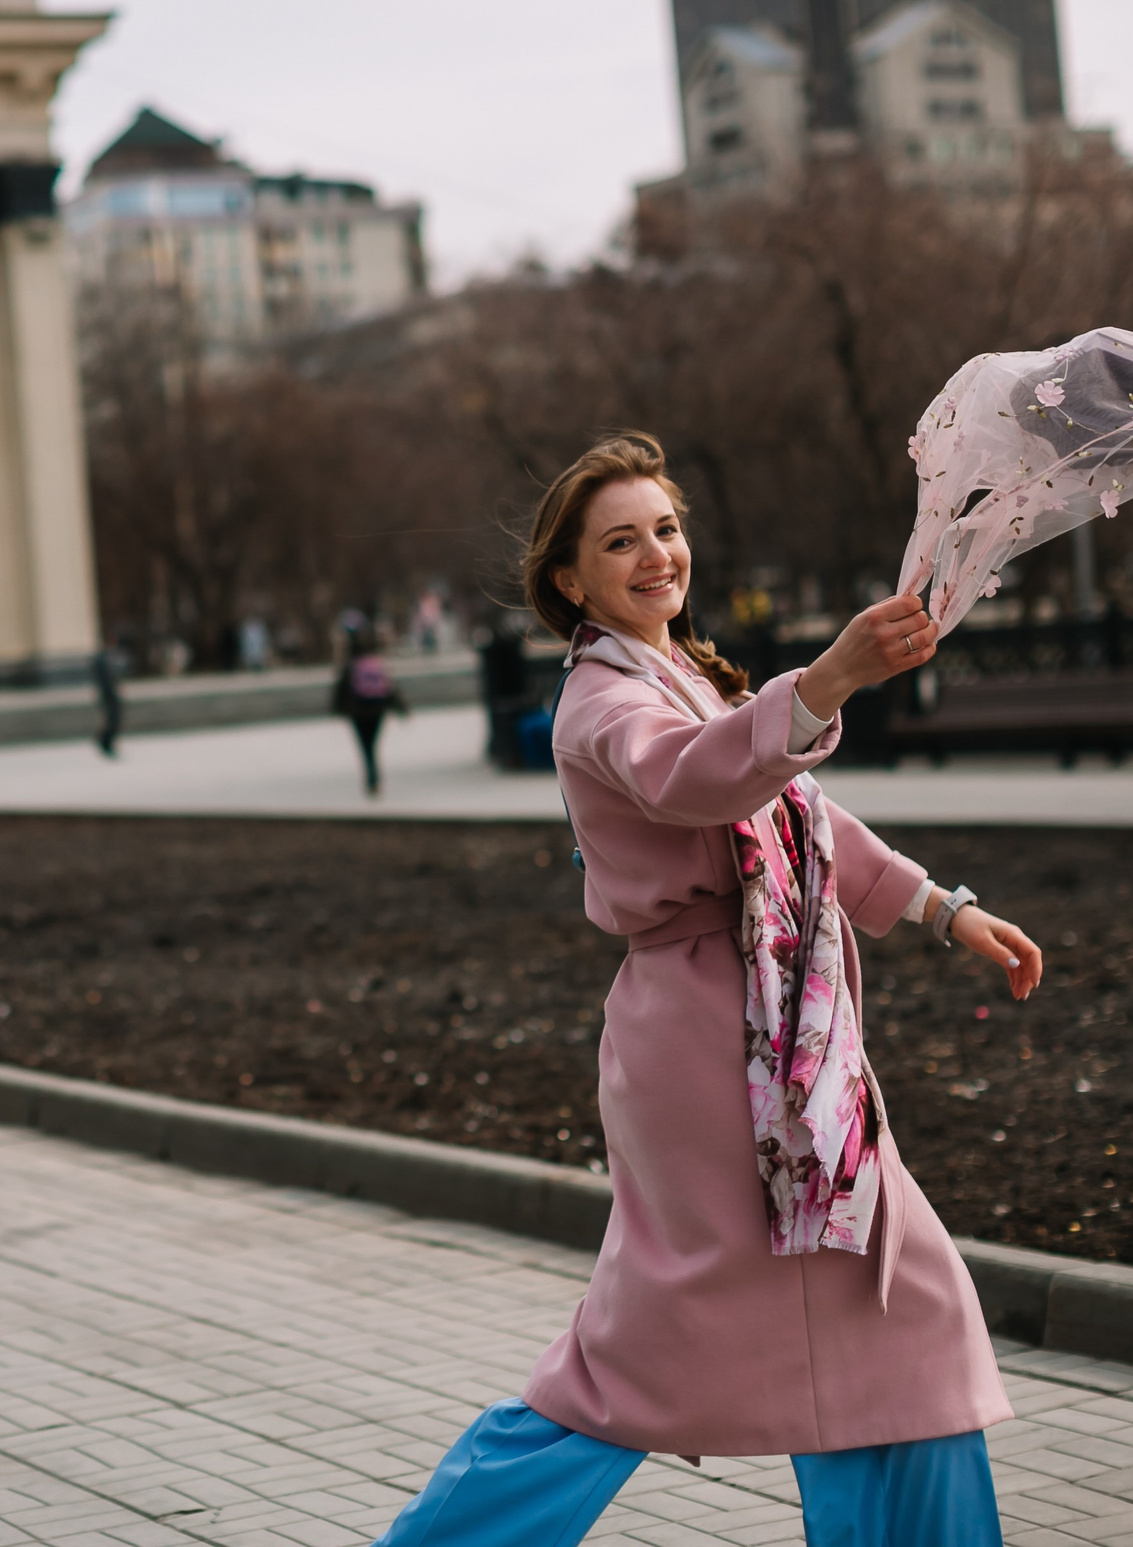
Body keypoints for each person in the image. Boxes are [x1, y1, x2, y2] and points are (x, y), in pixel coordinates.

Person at [370, 433, 1044, 1547]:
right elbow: (694, 782)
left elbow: (799, 819)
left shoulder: (680, 673)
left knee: (894, 1315)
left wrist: (942, 907)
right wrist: (830, 677)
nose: (654, 555)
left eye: (666, 529)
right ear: (568, 582)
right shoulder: (599, 699)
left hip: (778, 1042)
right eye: (619, 541)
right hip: (703, 1055)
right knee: (641, 1354)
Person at [332, 629, 406, 797]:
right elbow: (391, 688)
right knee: (373, 745)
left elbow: (341, 690)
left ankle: (371, 778)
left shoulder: (350, 666)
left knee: (365, 747)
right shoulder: (376, 663)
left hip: (358, 713)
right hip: (377, 710)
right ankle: (375, 777)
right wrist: (401, 708)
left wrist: (337, 710)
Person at [92, 644, 124, 759]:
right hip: (108, 694)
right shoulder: (102, 660)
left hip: (108, 693)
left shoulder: (103, 659)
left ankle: (106, 743)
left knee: (112, 719)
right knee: (111, 719)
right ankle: (105, 743)